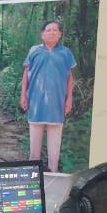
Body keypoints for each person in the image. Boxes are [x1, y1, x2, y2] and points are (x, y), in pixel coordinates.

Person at [20, 20, 76, 173]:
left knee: (54, 147)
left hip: (57, 104)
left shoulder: (66, 53)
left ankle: (53, 172)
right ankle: (33, 174)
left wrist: (69, 99)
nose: (51, 32)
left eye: (55, 30)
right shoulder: (34, 51)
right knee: (34, 147)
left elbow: (69, 77)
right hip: (35, 103)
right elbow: (26, 74)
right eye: (48, 30)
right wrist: (23, 95)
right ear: (42, 34)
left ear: (60, 34)